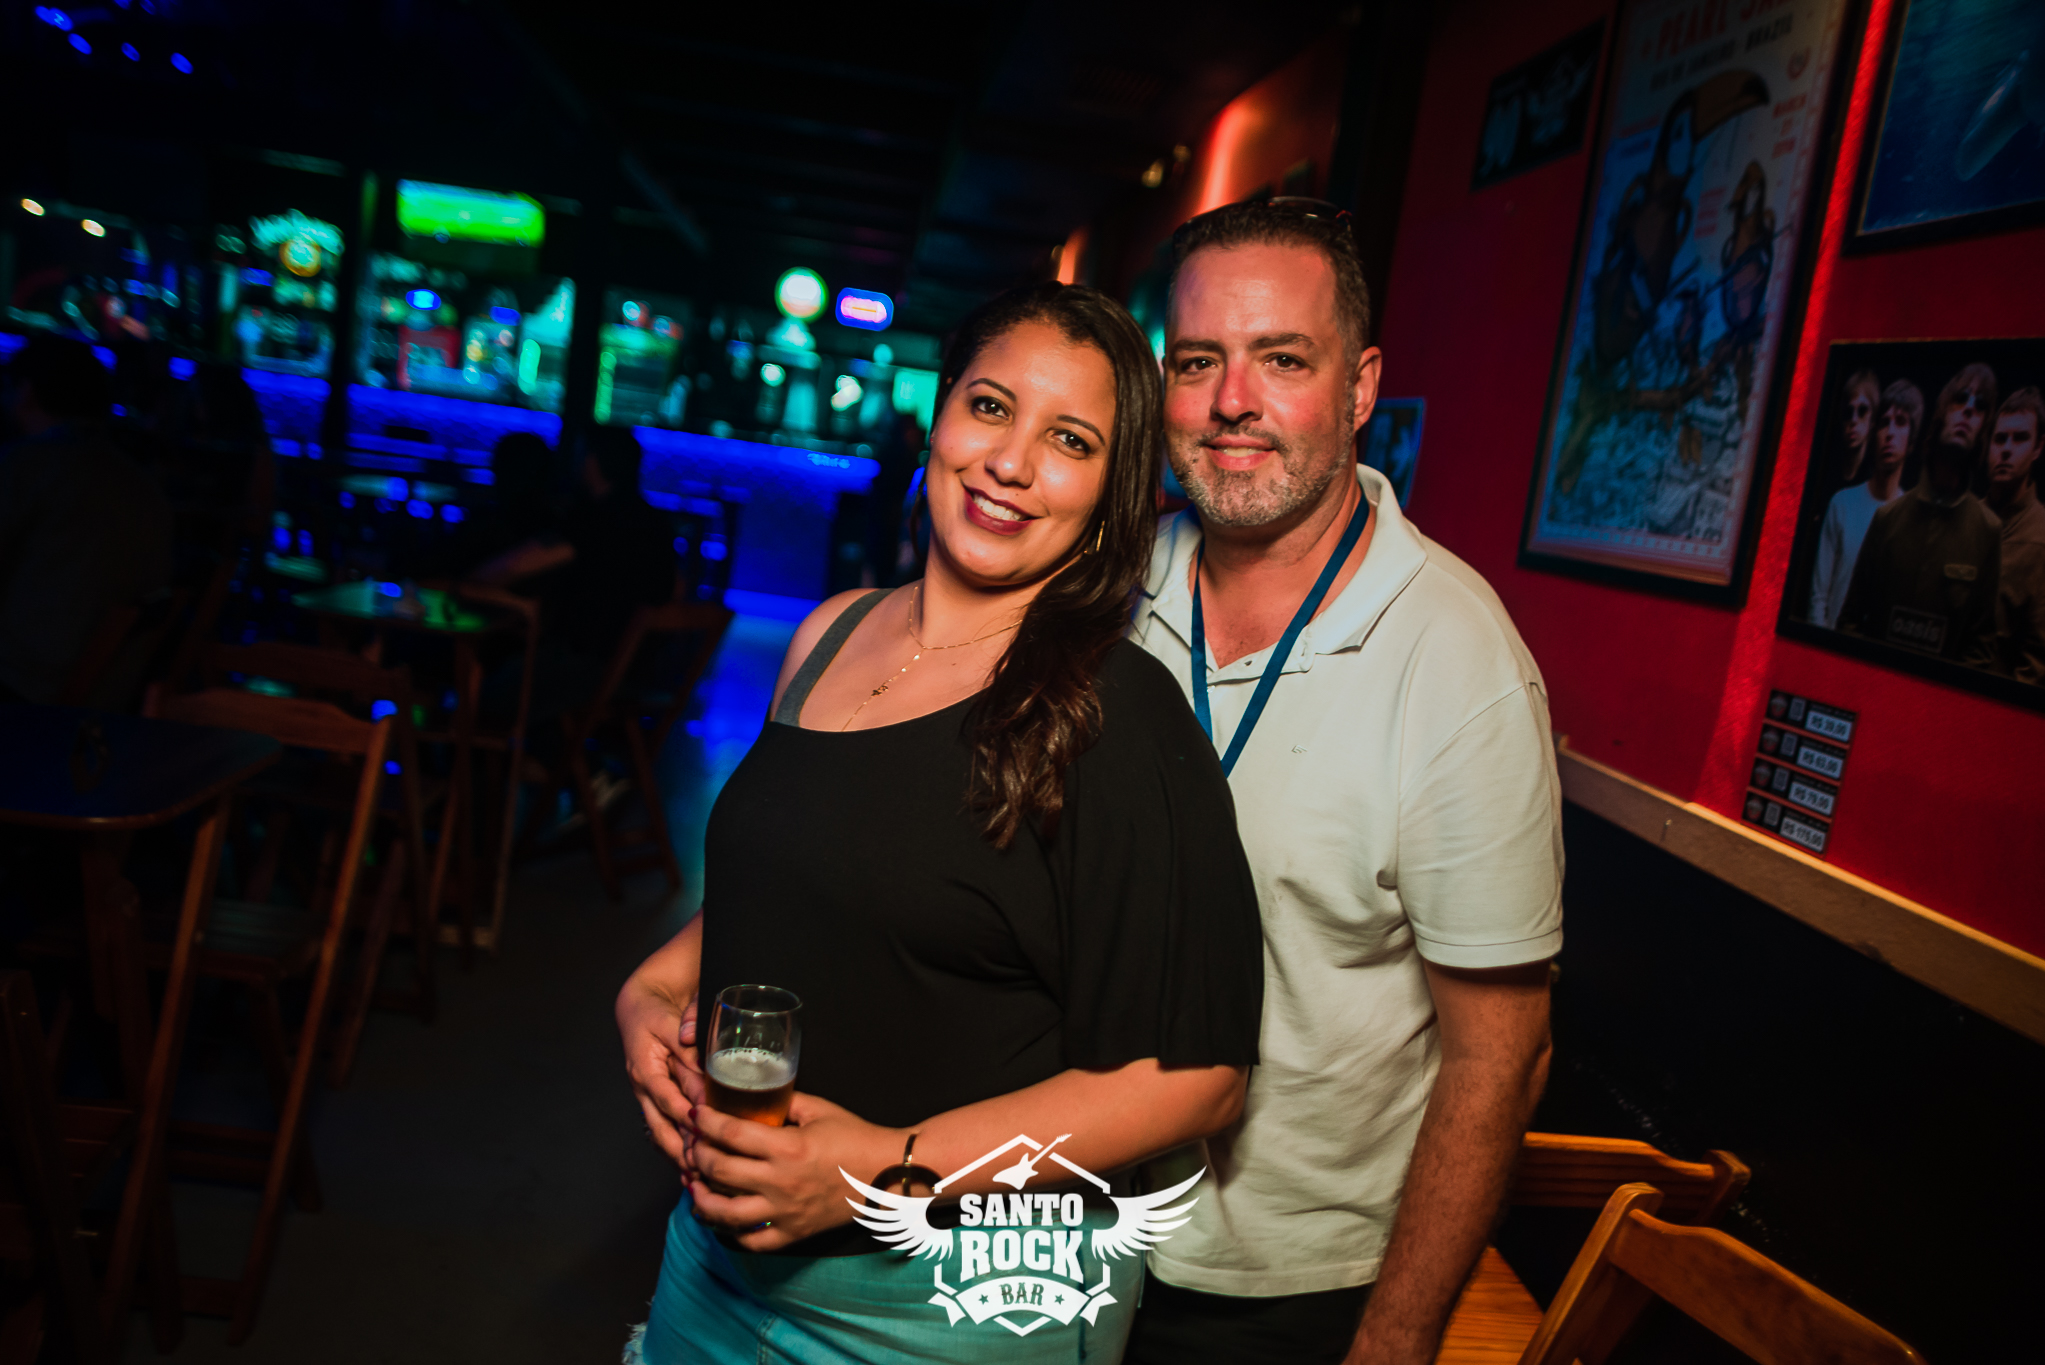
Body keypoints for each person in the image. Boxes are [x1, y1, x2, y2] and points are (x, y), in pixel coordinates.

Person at [614, 283, 1265, 1364]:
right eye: (990, 406)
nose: (1009, 461)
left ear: (1113, 496)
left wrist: (879, 1168)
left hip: (953, 1302)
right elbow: (808, 883)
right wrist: (651, 986)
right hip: (715, 1259)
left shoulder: (1116, 716)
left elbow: (1197, 1078)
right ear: (938, 415)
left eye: (1069, 439)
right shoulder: (827, 634)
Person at [1122, 199, 1563, 1365]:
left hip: (1283, 1294)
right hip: (1056, 1221)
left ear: (1360, 386)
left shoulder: (1454, 660)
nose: (1231, 400)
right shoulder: (1103, 588)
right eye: (1196, 361)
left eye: (1281, 359)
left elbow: (1500, 1058)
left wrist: (1394, 1341)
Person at [0, 333, 173, 705]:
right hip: (108, 692)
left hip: (29, 684)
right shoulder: (142, 485)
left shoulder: (25, 465)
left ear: (26, 391)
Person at [475, 425, 672, 719]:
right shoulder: (656, 523)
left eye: (579, 454)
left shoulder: (593, 519)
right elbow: (676, 589)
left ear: (592, 461)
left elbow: (515, 566)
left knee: (487, 693)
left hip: (588, 667)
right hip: (639, 671)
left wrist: (462, 583)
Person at [1838, 364, 2003, 662]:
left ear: (1983, 427)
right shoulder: (1888, 518)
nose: (1968, 409)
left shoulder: (1987, 530)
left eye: (1979, 406)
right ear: (1941, 413)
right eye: (1960, 398)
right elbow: (1850, 620)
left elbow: (1980, 646)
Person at [1809, 378, 1915, 629]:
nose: (1890, 433)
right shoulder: (1842, 503)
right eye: (1884, 423)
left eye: (1900, 422)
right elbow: (1818, 595)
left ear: (1911, 440)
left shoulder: (1912, 517)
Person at [1983, 386, 2044, 683]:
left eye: (2019, 438)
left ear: (2037, 448)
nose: (2006, 449)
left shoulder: (2041, 535)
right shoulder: (1967, 518)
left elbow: (2037, 662)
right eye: (1999, 439)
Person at [1835, 368, 1879, 486]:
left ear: (1873, 419)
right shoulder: (1830, 470)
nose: (1853, 420)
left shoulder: (1874, 480)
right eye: (1848, 411)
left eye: (1862, 411)